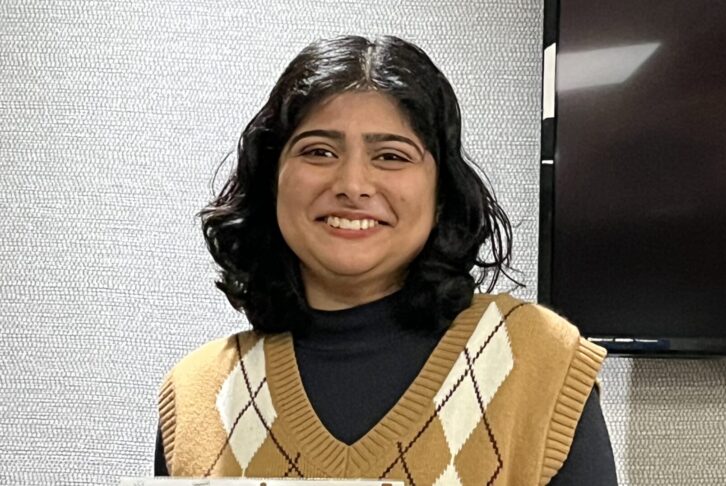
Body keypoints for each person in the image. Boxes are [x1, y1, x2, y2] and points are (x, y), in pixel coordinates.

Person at [154, 35, 617, 485]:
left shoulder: (541, 364)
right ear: (272, 180)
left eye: (391, 156)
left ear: (441, 193)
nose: (352, 184)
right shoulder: (195, 394)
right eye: (318, 151)